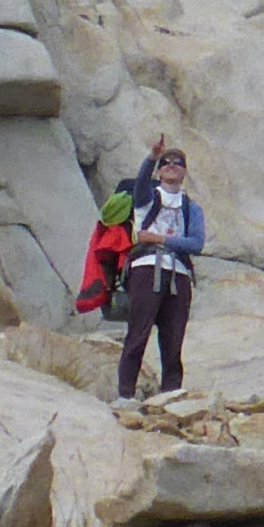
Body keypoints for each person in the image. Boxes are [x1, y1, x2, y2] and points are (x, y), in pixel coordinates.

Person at [106, 142, 204, 398]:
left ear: (185, 173)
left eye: (178, 163)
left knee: (173, 342)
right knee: (138, 335)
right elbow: (140, 183)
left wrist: (159, 239)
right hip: (147, 269)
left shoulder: (191, 206)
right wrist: (151, 157)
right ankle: (125, 395)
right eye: (166, 163)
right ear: (159, 172)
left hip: (178, 274)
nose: (171, 166)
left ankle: (171, 395)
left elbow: (197, 243)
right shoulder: (148, 197)